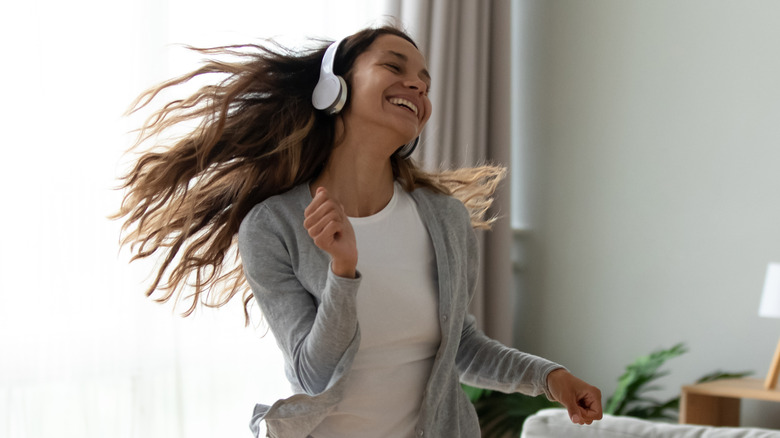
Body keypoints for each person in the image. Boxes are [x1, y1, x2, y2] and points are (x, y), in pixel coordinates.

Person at [116, 24, 602, 437]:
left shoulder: (443, 218)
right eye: (394, 68)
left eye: (425, 84)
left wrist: (551, 379)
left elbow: (460, 346)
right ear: (334, 87)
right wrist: (343, 273)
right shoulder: (273, 225)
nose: (417, 87)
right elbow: (313, 373)